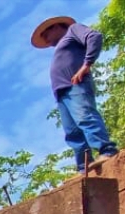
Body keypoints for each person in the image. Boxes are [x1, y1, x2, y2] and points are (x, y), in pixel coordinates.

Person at [31, 16, 118, 171]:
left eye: (45, 34)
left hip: (75, 85)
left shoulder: (73, 30)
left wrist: (86, 65)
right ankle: (84, 167)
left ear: (56, 27)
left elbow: (94, 36)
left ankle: (107, 150)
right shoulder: (61, 45)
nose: (45, 39)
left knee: (85, 117)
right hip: (62, 93)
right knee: (72, 133)